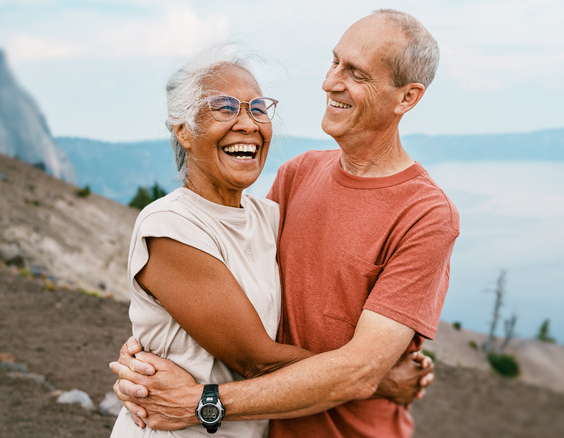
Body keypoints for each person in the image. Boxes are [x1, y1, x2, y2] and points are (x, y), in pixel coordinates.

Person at [111, 9, 459, 437]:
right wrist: (149, 347)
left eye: (357, 73)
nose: (331, 82)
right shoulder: (298, 176)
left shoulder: (425, 214)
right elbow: (248, 343)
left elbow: (356, 367)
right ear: (182, 129)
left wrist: (200, 399)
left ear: (407, 97)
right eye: (335, 62)